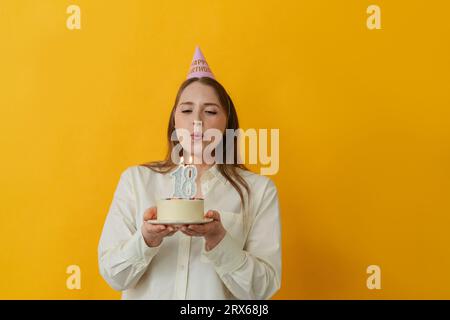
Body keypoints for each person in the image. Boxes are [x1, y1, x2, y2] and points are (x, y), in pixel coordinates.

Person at [98, 46, 281, 299]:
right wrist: (147, 238)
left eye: (210, 111)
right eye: (186, 110)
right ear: (174, 119)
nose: (197, 120)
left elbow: (263, 289)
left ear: (227, 121)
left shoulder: (259, 191)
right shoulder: (136, 180)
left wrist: (218, 240)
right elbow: (113, 275)